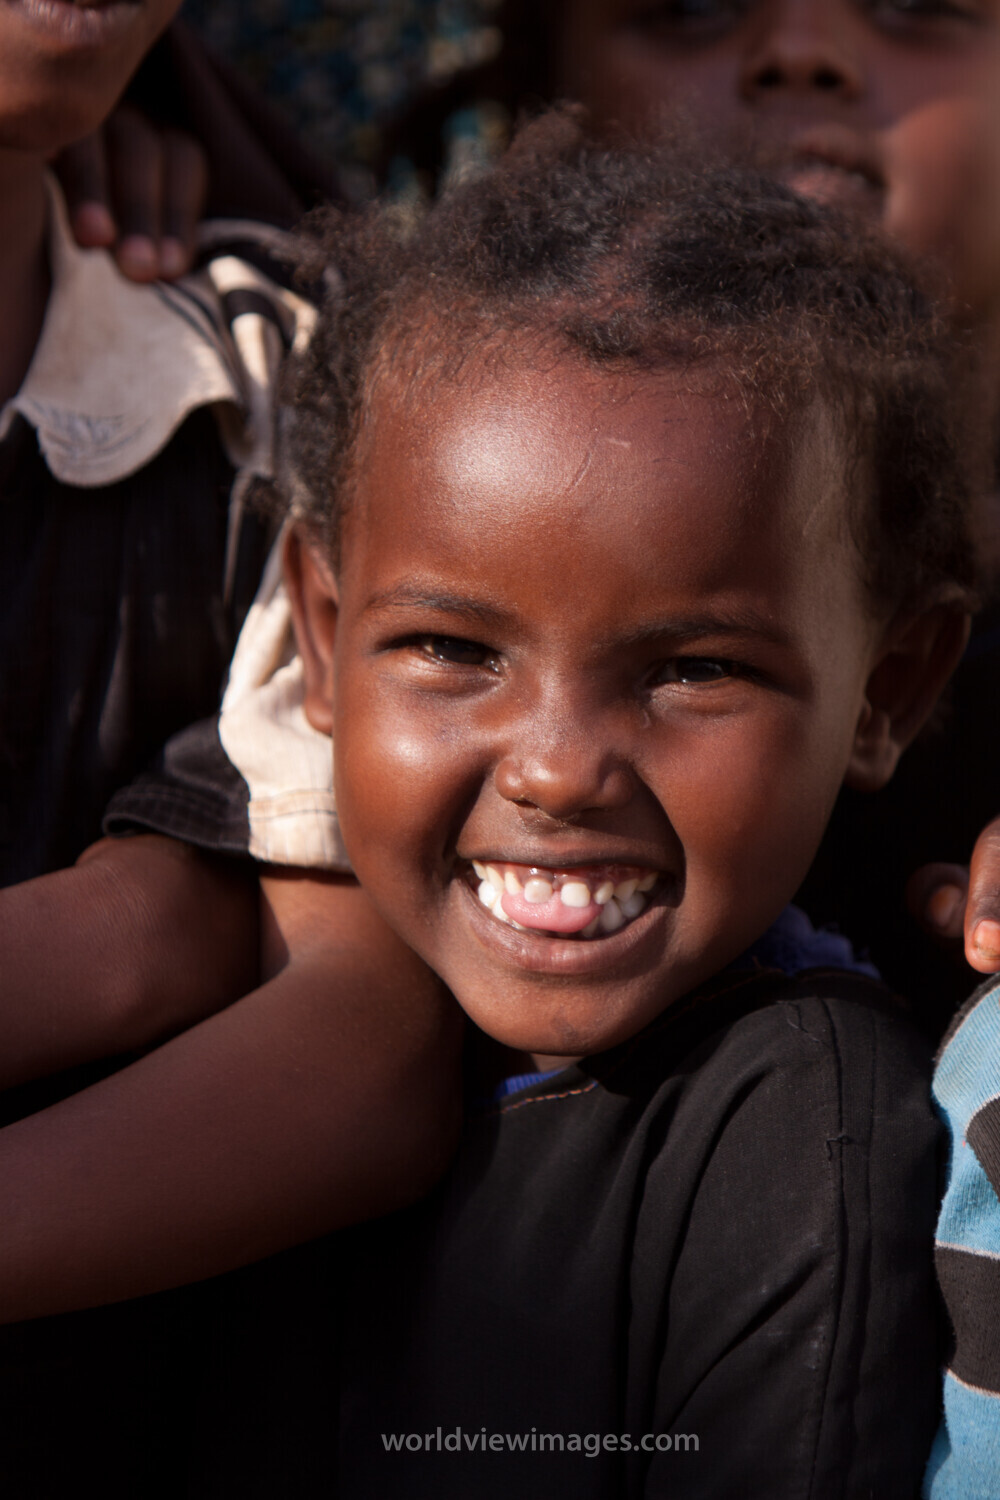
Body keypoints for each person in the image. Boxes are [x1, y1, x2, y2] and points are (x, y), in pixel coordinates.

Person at [180, 113, 982, 1496]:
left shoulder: (789, 1125)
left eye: (693, 670)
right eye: (452, 650)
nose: (557, 768)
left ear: (885, 693)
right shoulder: (254, 1007)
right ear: (318, 637)